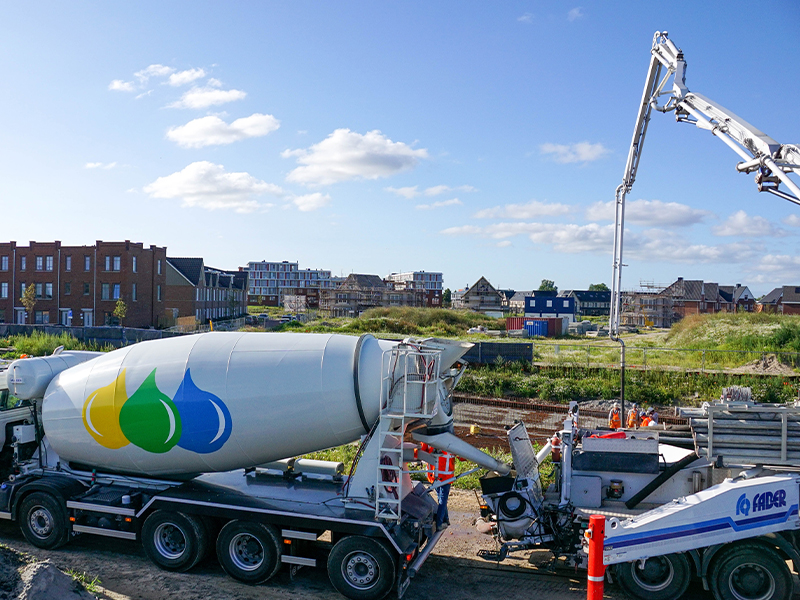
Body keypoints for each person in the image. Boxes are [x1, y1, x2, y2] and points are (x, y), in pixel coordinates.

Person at [420, 443, 456, 529]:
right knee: (442, 500)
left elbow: (422, 452)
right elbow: (462, 456)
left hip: (434, 476)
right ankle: (440, 523)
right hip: (446, 476)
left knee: (441, 499)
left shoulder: (429, 439)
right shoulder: (451, 441)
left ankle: (444, 519)